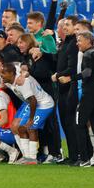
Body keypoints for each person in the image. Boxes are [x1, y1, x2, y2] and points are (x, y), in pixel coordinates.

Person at [59, 32, 94, 167]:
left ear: (88, 41)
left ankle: (84, 158)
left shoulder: (87, 54)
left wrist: (70, 78)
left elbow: (87, 73)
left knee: (79, 125)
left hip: (88, 96)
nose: (77, 43)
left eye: (79, 41)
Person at [18, 34, 62, 163]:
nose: (19, 45)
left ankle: (56, 153)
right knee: (40, 127)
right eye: (19, 42)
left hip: (47, 94)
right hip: (37, 95)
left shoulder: (38, 56)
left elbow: (43, 74)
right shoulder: (27, 57)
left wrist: (28, 72)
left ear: (29, 43)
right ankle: (44, 153)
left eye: (22, 42)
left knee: (50, 124)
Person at [0, 63, 55, 165]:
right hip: (30, 103)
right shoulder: (10, 79)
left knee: (31, 127)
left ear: (11, 73)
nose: (1, 75)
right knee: (21, 128)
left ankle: (33, 159)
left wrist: (31, 119)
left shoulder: (22, 83)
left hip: (44, 104)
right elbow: (20, 67)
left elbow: (33, 100)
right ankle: (26, 157)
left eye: (3, 73)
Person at [51, 15, 79, 164]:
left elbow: (72, 67)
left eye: (68, 25)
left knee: (70, 123)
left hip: (69, 87)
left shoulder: (74, 43)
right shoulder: (66, 42)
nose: (64, 27)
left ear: (75, 27)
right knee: (66, 124)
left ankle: (78, 155)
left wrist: (58, 75)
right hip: (62, 89)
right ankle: (73, 155)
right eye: (64, 25)